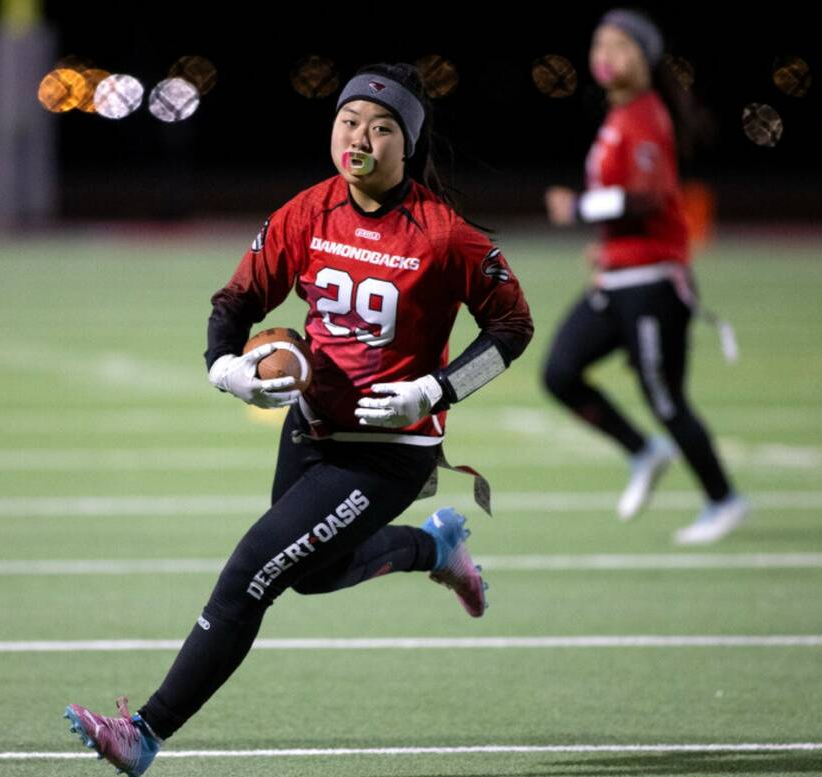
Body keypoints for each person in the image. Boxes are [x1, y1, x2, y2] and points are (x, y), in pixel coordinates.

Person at [64, 62, 533, 776]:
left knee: (253, 568)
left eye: (381, 128)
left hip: (388, 450)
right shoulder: (309, 211)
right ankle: (435, 549)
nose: (361, 138)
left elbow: (512, 327)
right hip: (311, 430)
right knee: (311, 574)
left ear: (409, 145)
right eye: (349, 122)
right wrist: (225, 366)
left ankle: (145, 732)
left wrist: (436, 392)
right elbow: (237, 299)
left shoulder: (444, 235)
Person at [543, 8, 747, 545]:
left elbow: (649, 197)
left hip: (654, 285)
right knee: (560, 372)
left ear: (645, 56)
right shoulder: (619, 116)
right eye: (598, 45)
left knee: (665, 399)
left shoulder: (645, 115)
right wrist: (606, 247)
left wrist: (580, 207)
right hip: (619, 281)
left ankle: (724, 500)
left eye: (618, 46)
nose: (604, 56)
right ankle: (643, 450)